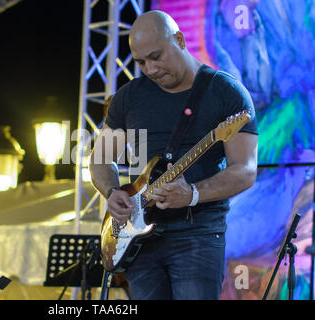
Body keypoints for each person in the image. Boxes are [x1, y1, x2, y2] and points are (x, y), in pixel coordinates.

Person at [89, 10, 258, 300]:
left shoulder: (227, 93)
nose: (150, 69)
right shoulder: (128, 97)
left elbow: (244, 169)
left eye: (156, 57)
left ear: (179, 40)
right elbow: (101, 159)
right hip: (137, 237)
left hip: (198, 234)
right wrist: (111, 190)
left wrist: (192, 193)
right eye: (141, 62)